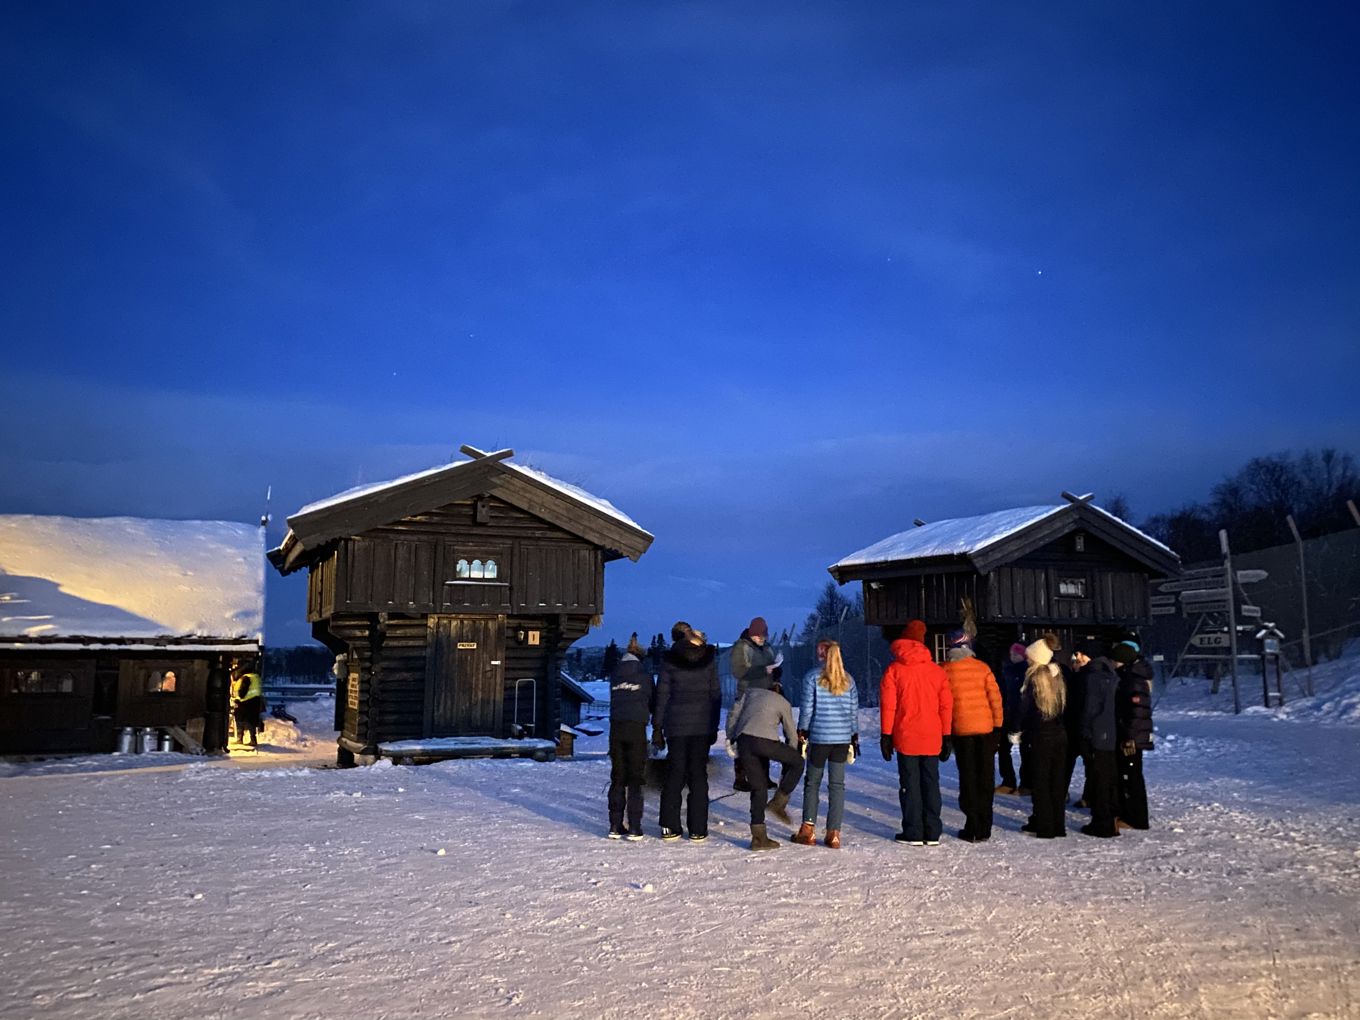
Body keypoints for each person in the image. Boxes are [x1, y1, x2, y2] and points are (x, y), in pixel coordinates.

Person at [879, 619, 953, 846]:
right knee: (931, 782)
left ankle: (913, 830)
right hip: (932, 736)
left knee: (910, 784)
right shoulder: (937, 671)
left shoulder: (894, 670)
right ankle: (932, 830)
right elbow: (946, 705)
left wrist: (886, 734)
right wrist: (946, 734)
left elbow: (889, 705)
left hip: (906, 735)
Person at [653, 622, 721, 842]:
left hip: (675, 726)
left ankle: (669, 826)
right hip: (701, 725)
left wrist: (657, 727)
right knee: (698, 776)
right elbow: (715, 695)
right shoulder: (708, 659)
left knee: (674, 774)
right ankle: (698, 828)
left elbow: (662, 695)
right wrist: (713, 726)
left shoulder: (669, 660)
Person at [792, 640, 859, 848]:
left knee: (813, 783)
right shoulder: (848, 680)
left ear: (822, 654)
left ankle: (808, 829)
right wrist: (853, 736)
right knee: (837, 785)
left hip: (820, 738)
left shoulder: (813, 678)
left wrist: (802, 732)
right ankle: (834, 833)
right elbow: (852, 712)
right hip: (841, 739)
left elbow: (807, 709)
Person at [941, 629, 1004, 842]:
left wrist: (945, 731)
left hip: (961, 730)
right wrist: (997, 726)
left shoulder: (945, 671)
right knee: (986, 777)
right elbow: (995, 699)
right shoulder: (982, 668)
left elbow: (943, 704)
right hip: (985, 729)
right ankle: (985, 824)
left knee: (968, 777)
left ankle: (972, 823)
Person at [728, 678, 804, 850]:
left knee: (759, 787)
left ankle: (758, 838)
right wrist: (790, 758)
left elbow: (733, 713)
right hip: (766, 743)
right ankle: (779, 802)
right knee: (799, 763)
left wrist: (731, 737)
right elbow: (791, 735)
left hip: (745, 741)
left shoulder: (750, 693)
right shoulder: (783, 703)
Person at [607, 633, 655, 840]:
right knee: (636, 778)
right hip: (637, 727)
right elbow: (652, 701)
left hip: (615, 728)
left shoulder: (615, 675)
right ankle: (635, 826)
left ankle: (615, 825)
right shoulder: (644, 675)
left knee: (617, 777)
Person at [1019, 639, 1067, 838]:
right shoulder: (1057, 676)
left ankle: (1044, 825)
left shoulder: (1034, 678)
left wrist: (1020, 730)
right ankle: (1057, 825)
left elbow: (1027, 710)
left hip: (1040, 736)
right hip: (1059, 734)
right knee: (1056, 781)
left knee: (1041, 782)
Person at [727, 616, 779, 792]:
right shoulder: (741, 648)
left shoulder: (768, 648)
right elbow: (738, 671)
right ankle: (740, 777)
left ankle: (763, 776)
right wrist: (762, 670)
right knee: (744, 735)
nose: (761, 639)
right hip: (747, 695)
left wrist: (776, 673)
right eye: (758, 636)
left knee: (763, 736)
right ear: (751, 634)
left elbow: (773, 667)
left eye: (763, 636)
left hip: (765, 696)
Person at [1078, 642, 1121, 838]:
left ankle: (1102, 823)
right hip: (1110, 735)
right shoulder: (1111, 674)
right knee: (1108, 779)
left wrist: (1085, 731)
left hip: (1097, 735)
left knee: (1099, 780)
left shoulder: (1093, 676)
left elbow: (1090, 709)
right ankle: (1111, 818)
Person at [1113, 639, 1154, 830]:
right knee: (1128, 776)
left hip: (1132, 738)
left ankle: (1135, 817)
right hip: (1132, 735)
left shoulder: (1133, 680)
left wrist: (1129, 737)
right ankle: (1128, 813)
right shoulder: (1130, 676)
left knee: (1132, 777)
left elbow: (1136, 712)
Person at [1064, 640, 1094, 807]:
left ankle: (1088, 797)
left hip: (1085, 728)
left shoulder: (1092, 676)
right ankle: (1061, 793)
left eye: (1079, 657)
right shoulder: (1072, 677)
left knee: (1090, 765)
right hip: (1071, 726)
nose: (1075, 661)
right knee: (1066, 763)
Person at [996, 642, 1028, 794]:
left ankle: (1026, 783)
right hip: (1008, 715)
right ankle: (1008, 781)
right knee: (1004, 749)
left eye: (1016, 654)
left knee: (1025, 750)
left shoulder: (1026, 672)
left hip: (1021, 715)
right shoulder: (1006, 671)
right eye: (1012, 654)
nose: (1013, 656)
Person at [232, 668, 264, 749]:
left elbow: (242, 692)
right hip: (255, 702)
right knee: (251, 721)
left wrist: (237, 699)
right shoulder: (256, 677)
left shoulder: (246, 678)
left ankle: (240, 738)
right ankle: (253, 739)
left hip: (245, 702)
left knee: (240, 719)